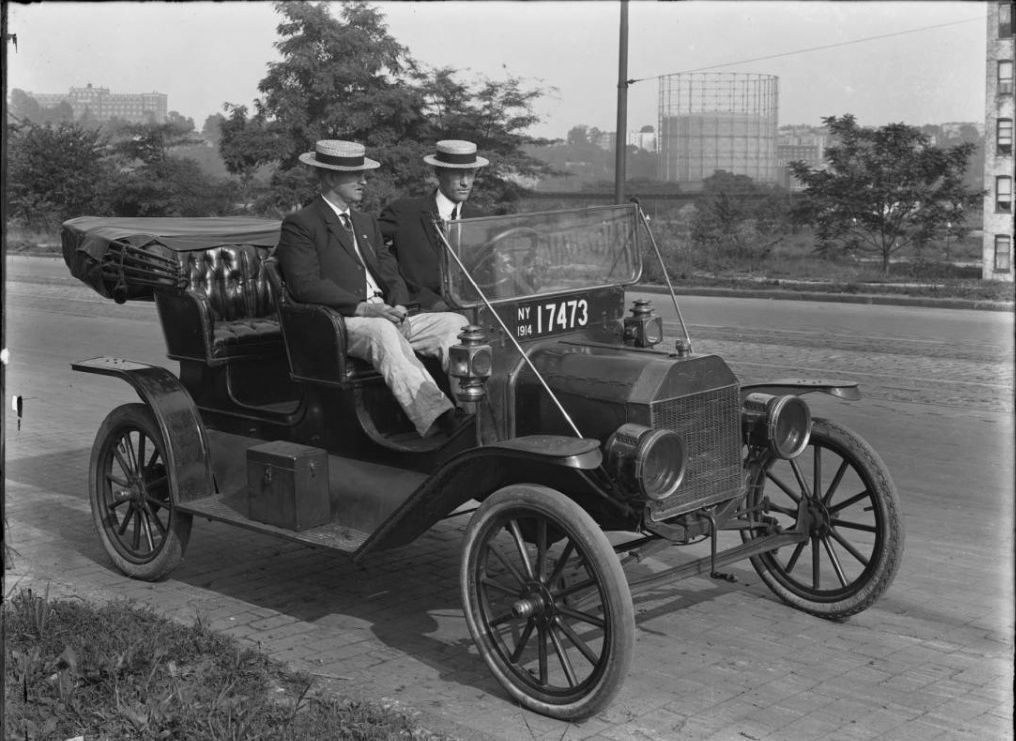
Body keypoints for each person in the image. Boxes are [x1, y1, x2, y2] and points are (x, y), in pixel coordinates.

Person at [274, 140, 469, 438]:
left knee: (456, 324)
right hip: (341, 322)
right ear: (328, 177)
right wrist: (365, 308)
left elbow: (391, 272)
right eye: (355, 175)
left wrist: (400, 306)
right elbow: (305, 285)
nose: (364, 181)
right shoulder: (300, 224)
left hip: (387, 314)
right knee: (382, 331)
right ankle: (439, 421)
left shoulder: (365, 222)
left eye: (363, 174)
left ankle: (472, 412)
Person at [379, 140, 489, 311]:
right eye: (458, 174)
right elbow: (369, 251)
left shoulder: (481, 219)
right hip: (424, 308)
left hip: (477, 308)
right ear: (438, 172)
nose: (465, 183)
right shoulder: (404, 213)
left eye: (471, 173)